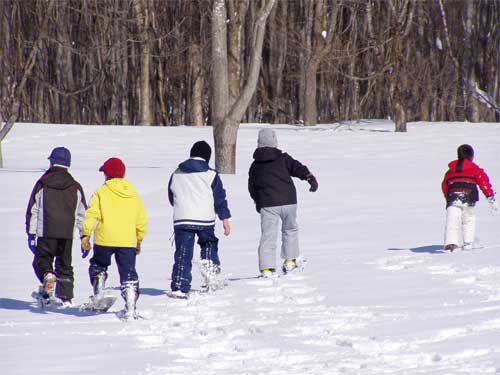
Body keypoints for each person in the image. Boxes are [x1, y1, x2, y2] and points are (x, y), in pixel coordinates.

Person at [81, 157, 148, 318]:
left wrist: (86, 234)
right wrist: (139, 238)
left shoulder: (101, 192)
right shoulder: (133, 194)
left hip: (104, 238)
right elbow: (141, 219)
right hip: (127, 241)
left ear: (107, 175)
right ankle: (130, 301)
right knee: (128, 272)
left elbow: (92, 214)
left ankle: (99, 290)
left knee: (99, 264)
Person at [248, 129, 318, 277]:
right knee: (290, 230)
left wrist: (257, 202)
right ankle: (290, 261)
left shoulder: (255, 165)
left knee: (268, 235)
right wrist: (309, 177)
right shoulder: (283, 158)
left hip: (268, 203)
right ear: (274, 141)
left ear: (259, 143)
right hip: (288, 200)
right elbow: (298, 168)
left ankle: (267, 269)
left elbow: (252, 186)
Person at [168, 141, 231, 298]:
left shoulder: (176, 173)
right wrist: (224, 218)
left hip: (182, 219)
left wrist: (181, 207)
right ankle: (212, 277)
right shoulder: (211, 174)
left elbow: (171, 195)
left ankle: (179, 286)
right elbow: (219, 198)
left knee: (183, 251)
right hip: (205, 219)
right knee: (208, 244)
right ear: (207, 157)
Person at [25, 147, 87, 307]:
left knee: (41, 260)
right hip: (67, 234)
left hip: (46, 231)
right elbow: (82, 213)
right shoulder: (75, 186)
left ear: (52, 161)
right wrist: (84, 235)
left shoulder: (43, 183)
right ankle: (65, 298)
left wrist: (31, 234)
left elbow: (33, 210)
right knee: (65, 265)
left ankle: (48, 276)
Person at [441, 144, 496, 251]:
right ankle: (468, 243)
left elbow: (444, 185)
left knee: (452, 220)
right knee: (469, 219)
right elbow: (483, 182)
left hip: (453, 197)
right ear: (471, 156)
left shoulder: (450, 171)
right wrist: (490, 196)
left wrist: (447, 197)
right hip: (469, 196)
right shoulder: (475, 168)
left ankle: (450, 244)